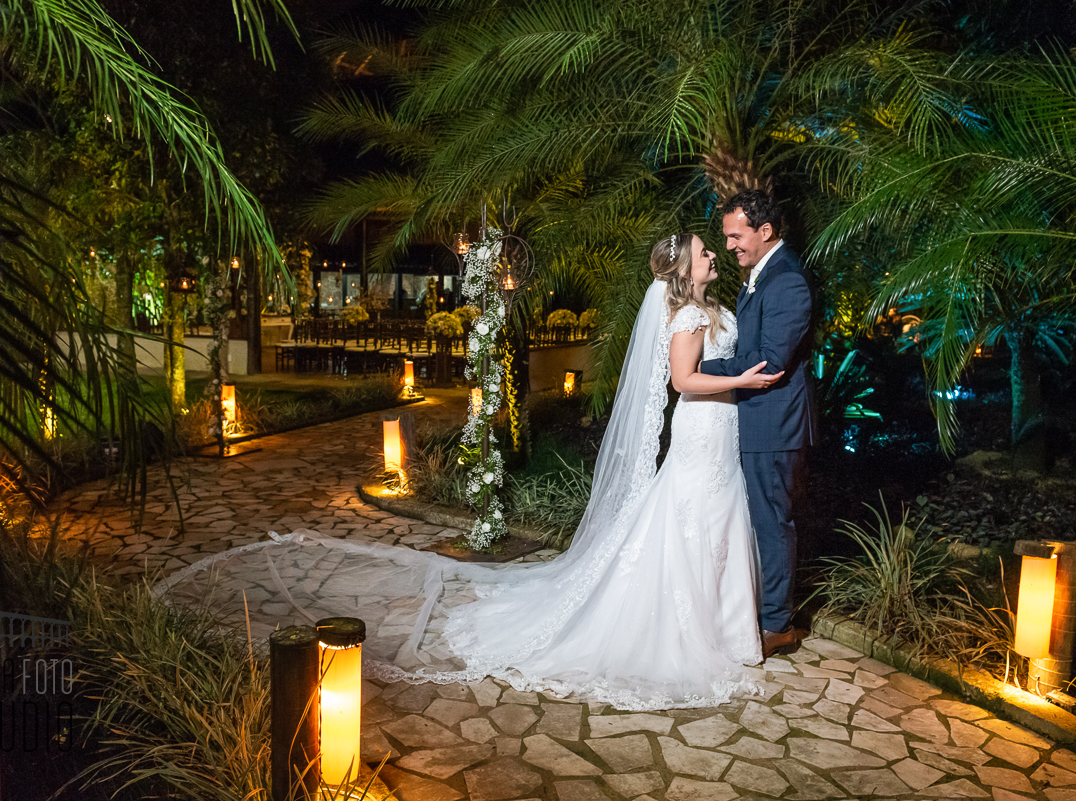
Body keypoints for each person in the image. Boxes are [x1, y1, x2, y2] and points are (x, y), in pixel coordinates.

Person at [159, 234, 781, 711]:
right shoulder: (687, 318)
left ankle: (729, 632)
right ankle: (692, 632)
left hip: (723, 436)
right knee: (692, 522)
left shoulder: (716, 308)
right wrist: (741, 381)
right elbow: (682, 381)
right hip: (704, 429)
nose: (711, 257)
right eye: (704, 252)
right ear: (682, 268)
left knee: (719, 523)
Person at [699, 190, 814, 659]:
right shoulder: (759, 276)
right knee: (756, 520)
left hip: (775, 424)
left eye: (735, 236)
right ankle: (759, 610)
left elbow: (769, 362)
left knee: (771, 522)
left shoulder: (787, 281)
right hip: (754, 419)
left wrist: (699, 374)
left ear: (764, 232)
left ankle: (777, 625)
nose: (728, 246)